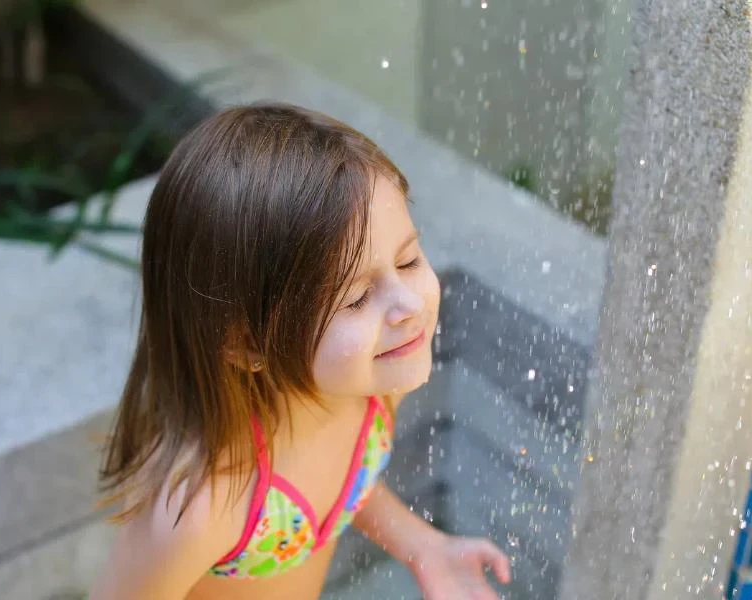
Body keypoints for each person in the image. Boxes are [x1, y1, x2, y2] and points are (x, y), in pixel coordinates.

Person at [90, 103, 512, 600]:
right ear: (247, 343)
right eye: (355, 299)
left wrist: (423, 546)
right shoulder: (202, 506)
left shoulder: (371, 394)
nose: (407, 304)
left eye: (409, 259)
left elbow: (343, 487)